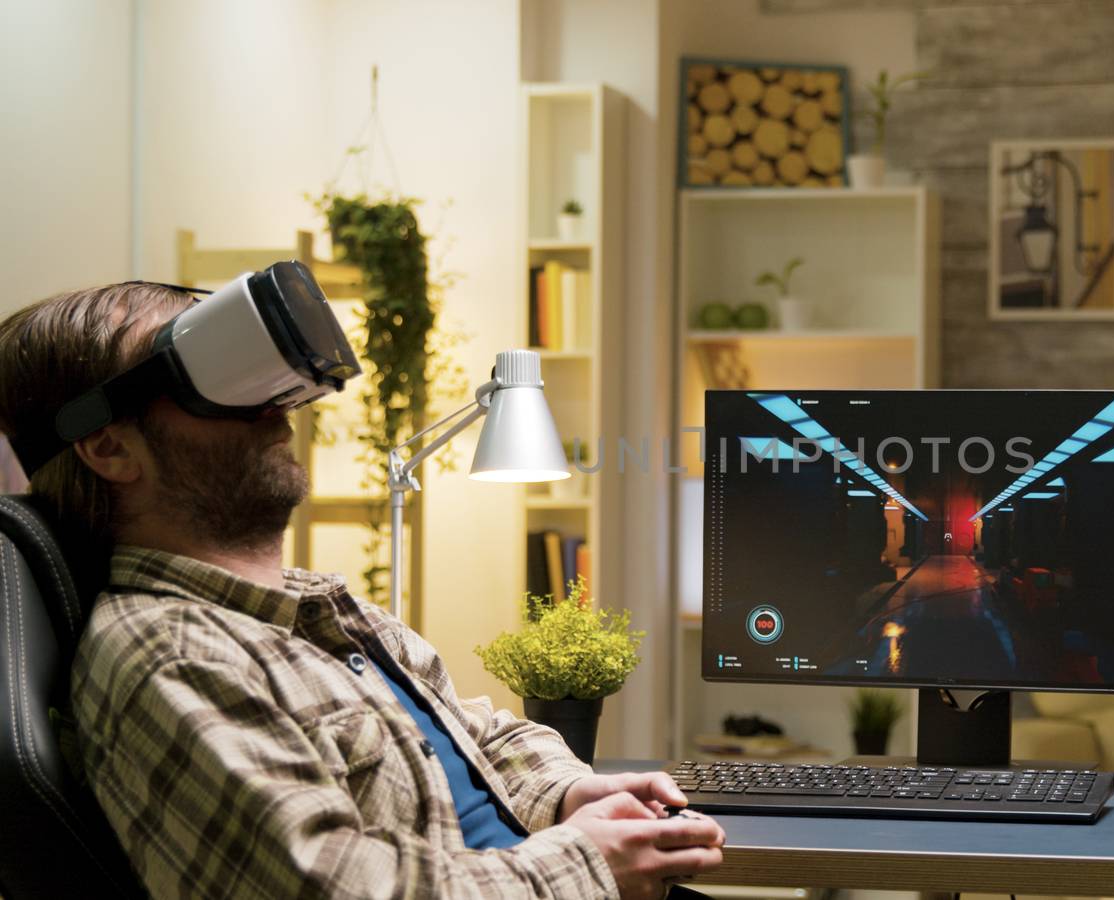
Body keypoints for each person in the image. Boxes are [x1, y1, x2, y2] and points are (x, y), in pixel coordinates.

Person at [0, 281, 724, 899]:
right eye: (211, 380)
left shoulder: (313, 606)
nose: (275, 406)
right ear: (108, 445)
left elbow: (478, 730)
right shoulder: (171, 654)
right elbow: (332, 887)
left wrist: (567, 792)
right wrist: (586, 864)